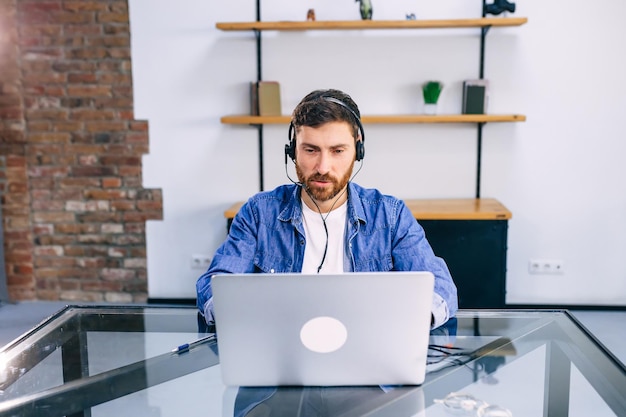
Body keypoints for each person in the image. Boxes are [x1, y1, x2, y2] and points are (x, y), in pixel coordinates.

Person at [196, 88, 458, 329]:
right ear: (292, 151)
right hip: (282, 356)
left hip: (367, 354)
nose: (322, 167)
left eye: (337, 151)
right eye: (310, 150)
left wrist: (403, 324)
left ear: (358, 149)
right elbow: (214, 287)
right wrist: (245, 317)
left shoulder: (391, 216)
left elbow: (442, 289)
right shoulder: (257, 214)